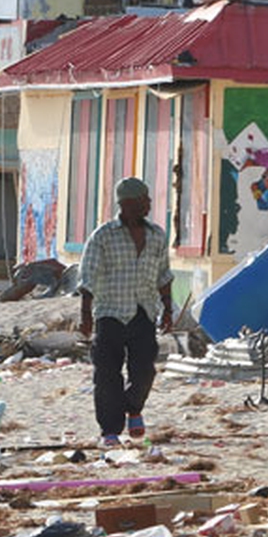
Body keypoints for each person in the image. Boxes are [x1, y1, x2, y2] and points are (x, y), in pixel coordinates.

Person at [78, 176, 174, 447]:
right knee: (107, 374)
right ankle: (110, 430)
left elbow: (164, 276)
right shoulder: (103, 236)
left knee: (144, 370)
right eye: (144, 201)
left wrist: (167, 310)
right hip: (110, 313)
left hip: (144, 312)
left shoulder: (156, 236)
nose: (149, 205)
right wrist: (85, 316)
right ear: (127, 203)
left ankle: (133, 408)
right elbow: (87, 277)